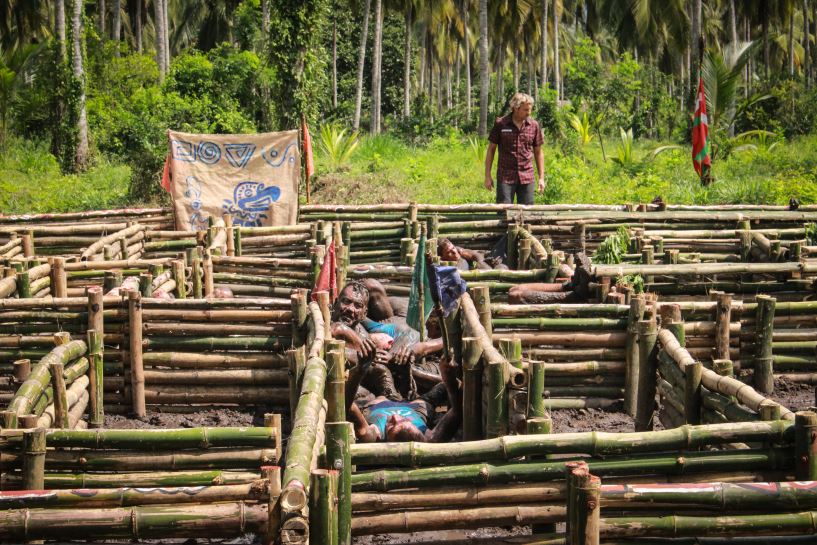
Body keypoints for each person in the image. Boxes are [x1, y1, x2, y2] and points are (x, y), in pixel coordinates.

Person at [348, 352, 461, 443]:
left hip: (385, 398)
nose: (395, 417)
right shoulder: (430, 438)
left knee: (380, 369)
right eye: (404, 420)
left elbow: (348, 407)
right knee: (454, 386)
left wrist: (360, 369)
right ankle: (409, 376)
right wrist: (448, 377)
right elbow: (457, 411)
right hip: (418, 405)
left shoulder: (373, 436)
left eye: (391, 427)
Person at [484, 92, 546, 205]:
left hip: (527, 176)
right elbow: (491, 149)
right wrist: (487, 175)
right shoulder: (501, 124)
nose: (529, 113)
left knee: (527, 213)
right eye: (525, 110)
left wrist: (541, 178)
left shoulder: (534, 125)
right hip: (505, 177)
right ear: (515, 108)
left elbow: (538, 152)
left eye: (530, 109)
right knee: (504, 213)